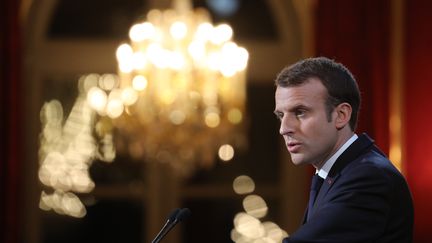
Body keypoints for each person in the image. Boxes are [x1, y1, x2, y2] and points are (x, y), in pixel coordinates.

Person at [274, 57, 414, 242]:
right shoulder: (339, 172)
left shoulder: (370, 177)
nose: (284, 128)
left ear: (341, 115)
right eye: (281, 115)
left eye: (300, 112)